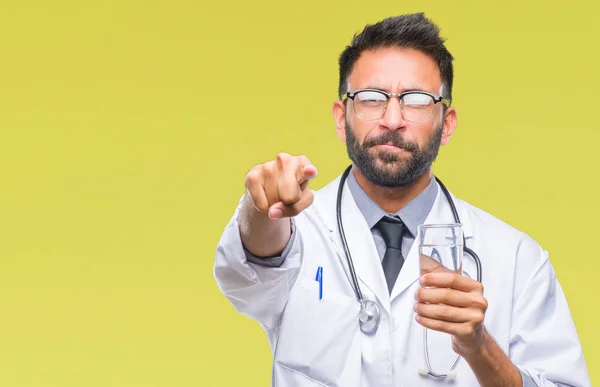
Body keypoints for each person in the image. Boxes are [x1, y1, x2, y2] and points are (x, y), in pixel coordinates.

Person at [213, 13, 590, 387]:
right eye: (372, 98)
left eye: (416, 100)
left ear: (447, 124)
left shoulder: (517, 261)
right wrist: (260, 207)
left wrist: (480, 348)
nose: (392, 119)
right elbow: (248, 271)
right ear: (342, 117)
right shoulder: (301, 232)